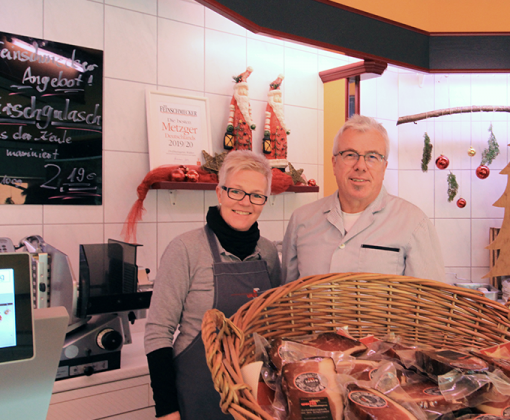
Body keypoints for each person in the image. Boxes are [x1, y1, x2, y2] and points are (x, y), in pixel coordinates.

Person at [144, 150, 281, 420]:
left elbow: (272, 325)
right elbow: (158, 332)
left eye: (256, 195)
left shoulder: (267, 253)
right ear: (219, 193)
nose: (245, 202)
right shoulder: (185, 249)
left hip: (255, 399)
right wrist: (166, 409)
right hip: (198, 393)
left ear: (264, 201)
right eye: (236, 191)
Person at [282, 115, 446, 283]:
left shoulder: (414, 224)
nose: (360, 166)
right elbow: (286, 295)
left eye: (372, 157)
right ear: (334, 163)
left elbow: (430, 297)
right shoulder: (301, 221)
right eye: (350, 155)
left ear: (384, 167)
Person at [225, 67, 255, 150]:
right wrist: (230, 124)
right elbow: (232, 111)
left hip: (247, 128)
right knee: (237, 142)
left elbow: (249, 113)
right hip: (237, 126)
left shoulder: (246, 101)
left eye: (245, 90)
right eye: (242, 89)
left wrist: (251, 123)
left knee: (247, 142)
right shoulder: (235, 98)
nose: (243, 92)